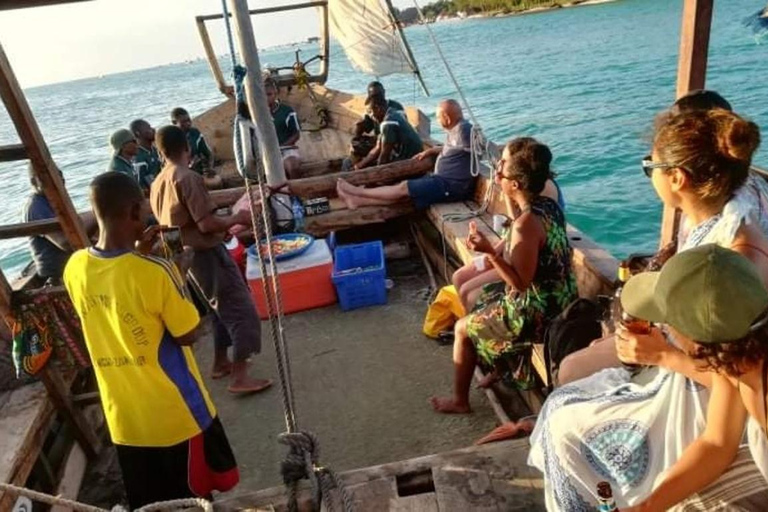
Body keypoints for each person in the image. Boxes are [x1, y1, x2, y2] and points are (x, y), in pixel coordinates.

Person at [528, 107, 768, 511]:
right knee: (563, 409)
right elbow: (717, 442)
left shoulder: (739, 264)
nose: (663, 325)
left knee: (568, 419)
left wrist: (663, 355)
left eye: (668, 318)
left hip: (692, 394)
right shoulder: (743, 355)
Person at [557, 89, 768, 386]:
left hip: (697, 374)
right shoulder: (719, 205)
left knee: (570, 371)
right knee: (588, 351)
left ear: (679, 175)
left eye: (651, 165)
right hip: (685, 345)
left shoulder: (736, 247)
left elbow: (740, 375)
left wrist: (660, 353)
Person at [63, 172, 239, 509]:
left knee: (152, 504)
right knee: (193, 500)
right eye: (143, 210)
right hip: (174, 415)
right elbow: (187, 333)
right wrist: (178, 274)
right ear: (133, 212)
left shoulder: (75, 267)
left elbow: (116, 291)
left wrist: (139, 255)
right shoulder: (156, 272)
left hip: (124, 420)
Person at [611, 245, 768, 511]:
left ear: (695, 342)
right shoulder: (737, 361)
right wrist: (644, 508)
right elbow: (717, 444)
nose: (664, 330)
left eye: (666, 323)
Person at [429, 138, 577, 414]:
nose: (497, 174)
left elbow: (520, 283)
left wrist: (490, 252)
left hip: (539, 311)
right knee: (481, 297)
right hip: (562, 295)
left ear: (516, 185)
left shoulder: (525, 225)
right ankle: (502, 368)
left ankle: (460, 401)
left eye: (502, 173)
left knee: (461, 329)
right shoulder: (548, 206)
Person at [150, 125, 272, 395]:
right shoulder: (187, 177)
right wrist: (237, 218)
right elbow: (206, 224)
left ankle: (220, 362)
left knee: (218, 309)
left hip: (185, 256)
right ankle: (240, 376)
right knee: (241, 309)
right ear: (187, 147)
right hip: (206, 253)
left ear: (160, 151)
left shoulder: (158, 182)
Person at [451, 137, 567, 313]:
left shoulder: (541, 198)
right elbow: (516, 225)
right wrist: (507, 189)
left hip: (534, 282)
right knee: (459, 277)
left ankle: (474, 325)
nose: (498, 168)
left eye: (503, 162)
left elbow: (525, 234)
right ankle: (472, 322)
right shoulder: (530, 200)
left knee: (467, 291)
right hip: (519, 257)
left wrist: (491, 253)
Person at [336, 99, 470, 210]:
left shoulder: (463, 130)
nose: (438, 121)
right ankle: (357, 201)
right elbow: (453, 148)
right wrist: (431, 150)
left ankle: (357, 191)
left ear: (447, 118)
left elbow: (476, 147)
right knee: (404, 197)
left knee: (403, 187)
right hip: (442, 183)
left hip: (447, 186)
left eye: (438, 117)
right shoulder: (457, 130)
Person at [23, 164, 96, 281]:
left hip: (73, 266)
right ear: (33, 182)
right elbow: (66, 242)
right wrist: (97, 215)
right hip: (58, 274)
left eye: (59, 174)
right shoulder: (37, 207)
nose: (58, 178)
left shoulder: (54, 200)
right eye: (47, 176)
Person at [345, 95, 423, 173]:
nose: (370, 116)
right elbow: (378, 147)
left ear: (378, 108)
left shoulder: (388, 124)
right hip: (410, 154)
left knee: (355, 166)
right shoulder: (392, 112)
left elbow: (384, 156)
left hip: (410, 160)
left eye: (370, 112)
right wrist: (359, 166)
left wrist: (377, 172)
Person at [264, 79, 302, 179]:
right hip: (265, 151)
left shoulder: (287, 111)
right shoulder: (255, 114)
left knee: (293, 167)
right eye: (263, 95)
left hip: (286, 149)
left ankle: (296, 187)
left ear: (275, 94)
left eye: (269, 94)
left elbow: (296, 134)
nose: (266, 98)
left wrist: (281, 147)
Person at [171, 107, 213, 174]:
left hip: (198, 169)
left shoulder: (195, 133)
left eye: (189, 120)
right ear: (174, 123)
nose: (188, 123)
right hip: (181, 173)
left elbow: (208, 154)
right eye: (183, 122)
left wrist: (210, 168)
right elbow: (172, 165)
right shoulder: (171, 139)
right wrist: (190, 167)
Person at [130, 119, 161, 194]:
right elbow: (141, 185)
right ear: (138, 133)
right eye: (148, 128)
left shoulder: (154, 149)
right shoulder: (138, 156)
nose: (153, 130)